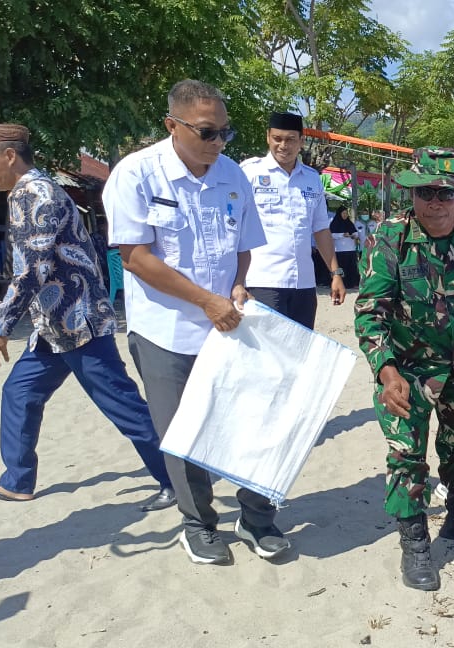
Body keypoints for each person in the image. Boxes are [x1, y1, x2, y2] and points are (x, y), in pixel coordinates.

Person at [102, 79, 276, 564]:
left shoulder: (232, 177)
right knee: (183, 434)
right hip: (166, 331)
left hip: (227, 324)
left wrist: (239, 286)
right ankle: (198, 523)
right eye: (207, 132)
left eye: (226, 133)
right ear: (172, 126)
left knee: (248, 424)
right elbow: (135, 256)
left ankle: (256, 516)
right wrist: (205, 301)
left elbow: (243, 246)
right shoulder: (136, 175)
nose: (218, 143)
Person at [354, 146, 454, 592]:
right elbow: (370, 310)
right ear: (413, 194)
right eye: (426, 192)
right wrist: (385, 369)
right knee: (406, 453)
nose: (436, 203)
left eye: (446, 194)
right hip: (404, 368)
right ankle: (413, 539)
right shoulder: (392, 237)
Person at [0, 124, 173, 510]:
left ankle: (175, 480)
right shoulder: (25, 193)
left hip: (79, 322)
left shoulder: (35, 194)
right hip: (52, 328)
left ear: (9, 156)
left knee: (122, 405)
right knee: (19, 394)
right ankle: (18, 481)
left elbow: (31, 269)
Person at [240, 112, 346, 327]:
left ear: (301, 141)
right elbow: (234, 228)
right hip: (263, 281)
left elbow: (321, 229)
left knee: (300, 352)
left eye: (290, 139)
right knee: (270, 352)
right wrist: (237, 282)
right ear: (268, 137)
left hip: (304, 283)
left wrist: (335, 273)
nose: (283, 146)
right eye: (277, 139)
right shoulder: (249, 172)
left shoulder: (312, 179)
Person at [329, 205, 361, 289]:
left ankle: (352, 283)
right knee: (341, 268)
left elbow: (356, 233)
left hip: (350, 249)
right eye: (343, 213)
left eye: (346, 213)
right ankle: (341, 284)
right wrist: (342, 235)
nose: (345, 215)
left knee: (352, 267)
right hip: (340, 250)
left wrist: (354, 236)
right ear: (339, 214)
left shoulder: (349, 223)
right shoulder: (334, 223)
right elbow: (331, 235)